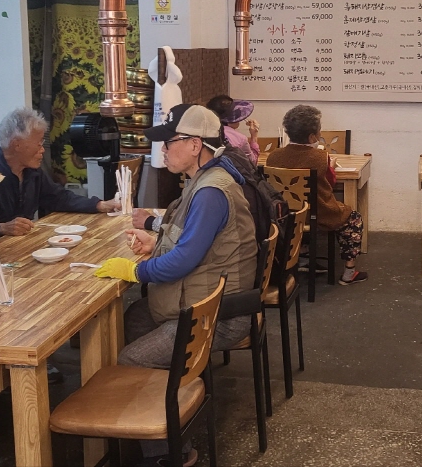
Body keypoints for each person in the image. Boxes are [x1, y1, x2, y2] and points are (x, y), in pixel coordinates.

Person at [95, 104, 257, 466]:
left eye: (170, 142)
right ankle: (152, 416)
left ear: (196, 145)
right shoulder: (203, 180)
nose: (163, 150)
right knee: (133, 320)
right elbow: (191, 240)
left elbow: (184, 260)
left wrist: (135, 272)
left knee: (131, 358)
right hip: (204, 302)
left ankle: (169, 454)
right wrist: (157, 240)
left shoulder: (212, 191)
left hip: (218, 317)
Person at [263, 104, 367, 285]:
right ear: (312, 136)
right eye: (319, 130)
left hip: (285, 215)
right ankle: (349, 272)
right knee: (353, 218)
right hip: (317, 213)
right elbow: (329, 183)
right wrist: (330, 167)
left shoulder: (273, 157)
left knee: (300, 219)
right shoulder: (320, 157)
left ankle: (302, 255)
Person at [0, 107, 120, 236]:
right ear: (17, 144)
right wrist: (2, 227)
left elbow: (59, 198)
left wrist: (100, 205)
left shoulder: (32, 172)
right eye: (39, 143)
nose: (42, 150)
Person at [206, 94, 260, 164]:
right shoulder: (240, 139)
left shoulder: (203, 132)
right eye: (235, 114)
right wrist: (254, 136)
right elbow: (252, 162)